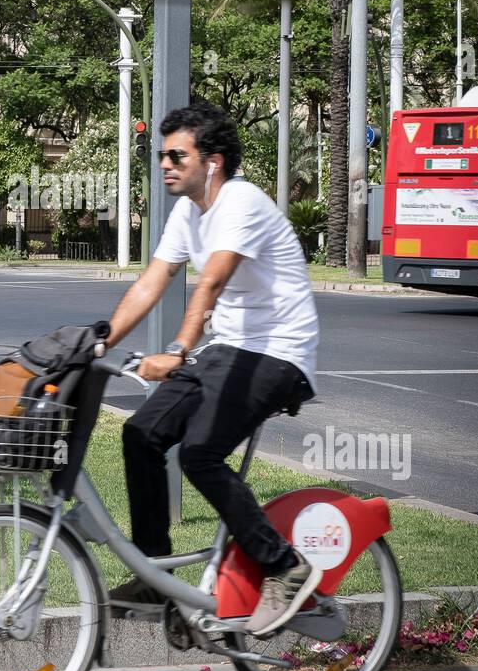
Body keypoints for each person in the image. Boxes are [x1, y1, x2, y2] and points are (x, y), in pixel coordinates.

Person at [106, 102, 321, 637]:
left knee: (200, 453)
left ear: (214, 161)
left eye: (177, 155)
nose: (165, 164)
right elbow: (151, 282)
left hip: (279, 351)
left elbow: (211, 283)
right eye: (161, 155)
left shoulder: (241, 202)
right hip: (230, 349)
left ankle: (285, 567)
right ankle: (156, 573)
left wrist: (178, 349)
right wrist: (97, 342)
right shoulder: (188, 212)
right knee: (142, 433)